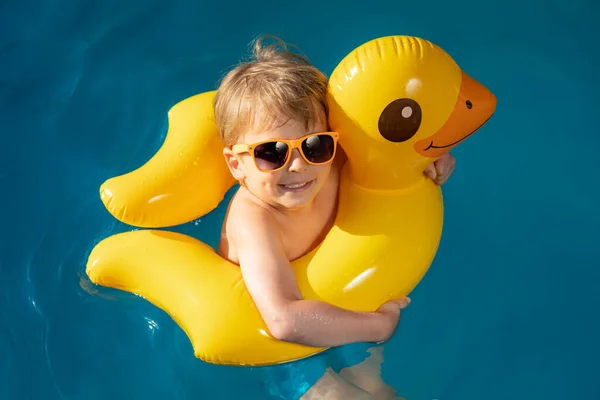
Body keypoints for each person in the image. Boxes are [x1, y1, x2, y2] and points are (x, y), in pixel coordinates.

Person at [214, 35, 456, 399]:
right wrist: (378, 326)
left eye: (315, 145)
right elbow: (283, 320)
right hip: (279, 348)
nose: (298, 166)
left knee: (378, 389)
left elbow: (395, 152)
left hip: (339, 303)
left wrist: (428, 161)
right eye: (271, 153)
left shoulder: (333, 163)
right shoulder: (255, 222)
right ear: (236, 164)